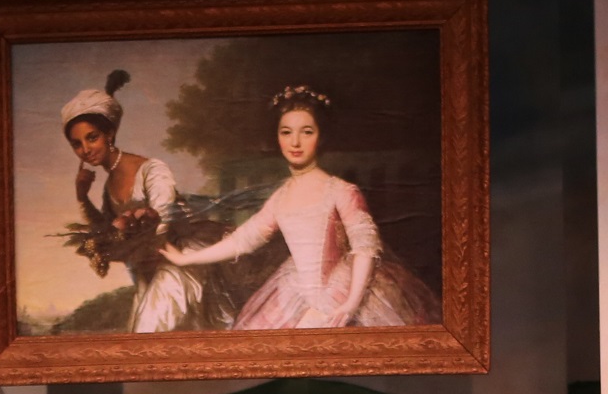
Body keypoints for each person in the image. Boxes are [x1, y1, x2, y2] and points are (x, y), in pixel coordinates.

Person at [159, 85, 439, 330]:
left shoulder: (341, 191)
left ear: (320, 136)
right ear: (278, 137)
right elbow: (244, 239)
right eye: (286, 132)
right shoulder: (281, 197)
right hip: (294, 291)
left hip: (343, 289)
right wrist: (188, 259)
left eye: (306, 132)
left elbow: (365, 248)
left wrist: (351, 303)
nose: (295, 142)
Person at [61, 70, 232, 333]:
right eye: (77, 144)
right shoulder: (108, 189)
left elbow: (163, 225)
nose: (85, 149)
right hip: (147, 272)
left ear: (109, 134)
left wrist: (126, 235)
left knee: (149, 329)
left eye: (92, 137)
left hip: (179, 262)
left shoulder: (152, 170)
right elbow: (105, 231)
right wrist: (82, 197)